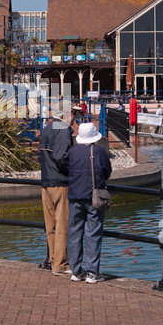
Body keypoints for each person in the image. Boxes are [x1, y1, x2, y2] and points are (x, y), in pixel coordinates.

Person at [67, 122, 112, 284]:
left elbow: (67, 169)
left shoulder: (72, 151)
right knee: (93, 233)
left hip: (74, 196)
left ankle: (76, 271)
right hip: (94, 197)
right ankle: (93, 273)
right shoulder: (99, 151)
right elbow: (107, 171)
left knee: (74, 234)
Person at [38, 100, 75, 276]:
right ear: (65, 115)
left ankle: (53, 260)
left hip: (46, 182)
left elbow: (41, 155)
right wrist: (73, 172)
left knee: (50, 225)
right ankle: (61, 264)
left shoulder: (46, 129)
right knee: (62, 225)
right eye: (73, 113)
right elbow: (62, 158)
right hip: (60, 182)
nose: (75, 117)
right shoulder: (63, 130)